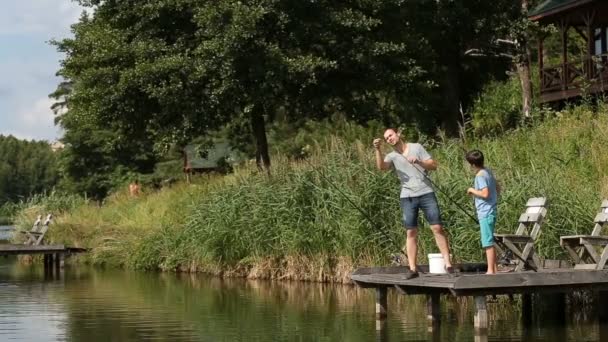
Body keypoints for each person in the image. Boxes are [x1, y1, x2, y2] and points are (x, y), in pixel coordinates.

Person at [373, 128, 453, 279]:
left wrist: (419, 161)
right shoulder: (392, 156)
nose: (389, 138)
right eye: (386, 138)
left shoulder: (416, 147)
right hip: (407, 196)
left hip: (426, 192)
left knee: (437, 227)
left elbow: (434, 165)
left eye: (390, 135)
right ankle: (412, 269)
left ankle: (448, 264)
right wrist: (377, 149)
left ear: (398, 134)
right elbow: (381, 167)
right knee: (411, 232)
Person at [465, 149, 499, 275]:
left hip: (485, 212)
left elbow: (485, 193)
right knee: (489, 239)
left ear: (473, 165)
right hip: (491, 210)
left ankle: (490, 271)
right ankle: (494, 268)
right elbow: (497, 187)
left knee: (487, 242)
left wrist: (472, 190)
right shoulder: (488, 171)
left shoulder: (480, 176)